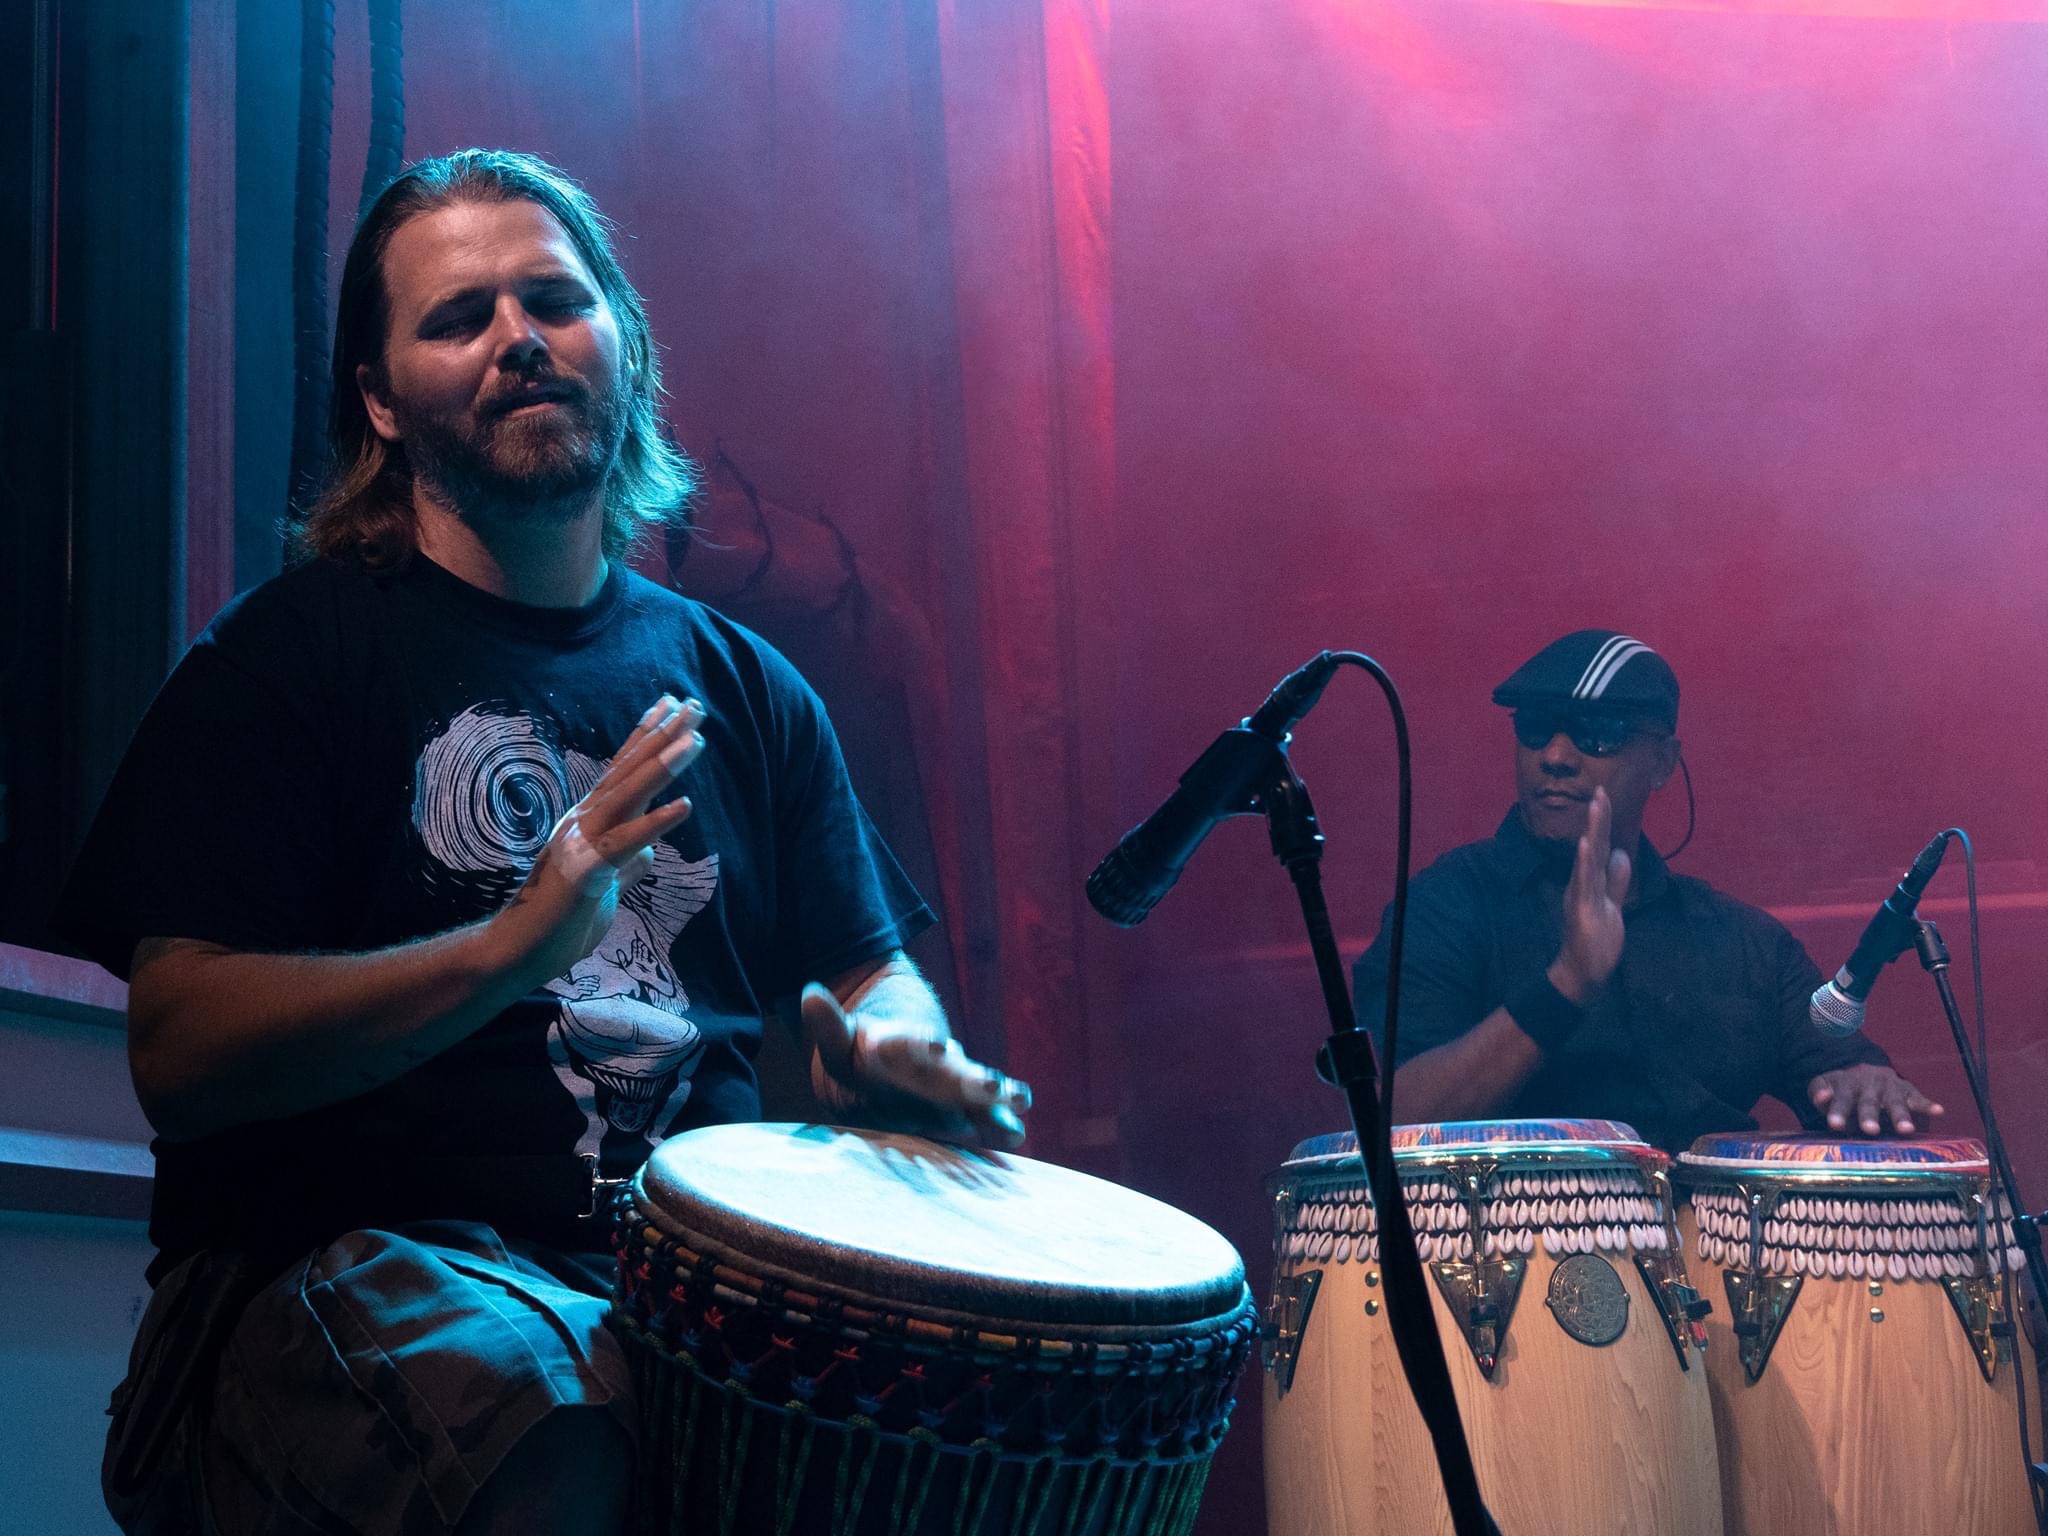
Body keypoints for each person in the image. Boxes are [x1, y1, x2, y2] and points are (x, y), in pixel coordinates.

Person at [57, 149, 1027, 1536]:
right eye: (459, 318)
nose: (518, 338)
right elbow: (179, 1051)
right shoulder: (285, 662)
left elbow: (868, 971)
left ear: (622, 344)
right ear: (380, 402)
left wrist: (895, 1044)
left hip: (681, 1286)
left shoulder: (751, 691)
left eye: (555, 302)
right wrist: (515, 946)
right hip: (346, 1284)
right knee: (549, 1411)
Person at [1351, 629, 1941, 1154]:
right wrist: (1567, 982)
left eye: (1598, 734)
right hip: (1516, 1242)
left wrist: (1868, 1086)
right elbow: (1399, 1119)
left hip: (1722, 1241)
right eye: (1534, 728)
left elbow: (1842, 1069)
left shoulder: (1743, 941)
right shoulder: (1445, 907)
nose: (1554, 757)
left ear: (1662, 763)